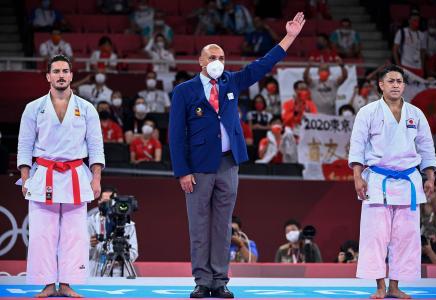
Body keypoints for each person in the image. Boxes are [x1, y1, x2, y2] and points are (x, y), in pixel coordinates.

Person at [169, 12, 305, 299]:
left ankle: (220, 280)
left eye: (221, 57)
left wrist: (289, 37)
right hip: (198, 167)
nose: (217, 61)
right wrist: (182, 171)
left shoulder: (231, 81)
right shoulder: (184, 91)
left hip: (228, 164)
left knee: (223, 225)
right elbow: (175, 134)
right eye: (212, 57)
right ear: (201, 62)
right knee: (199, 226)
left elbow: (263, 65)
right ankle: (201, 280)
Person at [17, 54, 104, 297]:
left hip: (76, 173)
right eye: (56, 71)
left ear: (71, 76)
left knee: (74, 233)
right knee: (42, 233)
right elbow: (24, 145)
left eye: (65, 71)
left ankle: (67, 282)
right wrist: (25, 176)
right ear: (48, 76)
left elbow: (96, 146)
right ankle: (46, 283)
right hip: (44, 173)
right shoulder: (33, 108)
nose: (61, 75)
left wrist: (96, 177)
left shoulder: (87, 109)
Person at [349, 65, 436, 299]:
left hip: (408, 180)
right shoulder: (368, 112)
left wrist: (430, 177)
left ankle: (395, 286)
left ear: (404, 85)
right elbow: (357, 146)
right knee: (376, 235)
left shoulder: (415, 113)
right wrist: (357, 176)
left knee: (405, 237)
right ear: (381, 85)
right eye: (391, 81)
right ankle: (379, 286)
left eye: (399, 81)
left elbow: (426, 146)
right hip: (378, 180)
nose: (396, 85)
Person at [88, 186, 138, 277]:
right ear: (99, 202)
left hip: (120, 273)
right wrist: (91, 245)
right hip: (95, 272)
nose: (108, 206)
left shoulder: (128, 225)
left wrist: (120, 258)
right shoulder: (89, 222)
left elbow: (134, 252)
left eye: (111, 202)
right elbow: (80, 252)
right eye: (105, 202)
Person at [392, 12, 426, 77]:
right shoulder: (402, 32)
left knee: (418, 87)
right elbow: (394, 50)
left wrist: (422, 68)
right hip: (405, 66)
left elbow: (423, 53)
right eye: (414, 20)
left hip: (418, 67)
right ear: (409, 21)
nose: (416, 22)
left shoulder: (422, 35)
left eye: (418, 20)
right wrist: (398, 66)